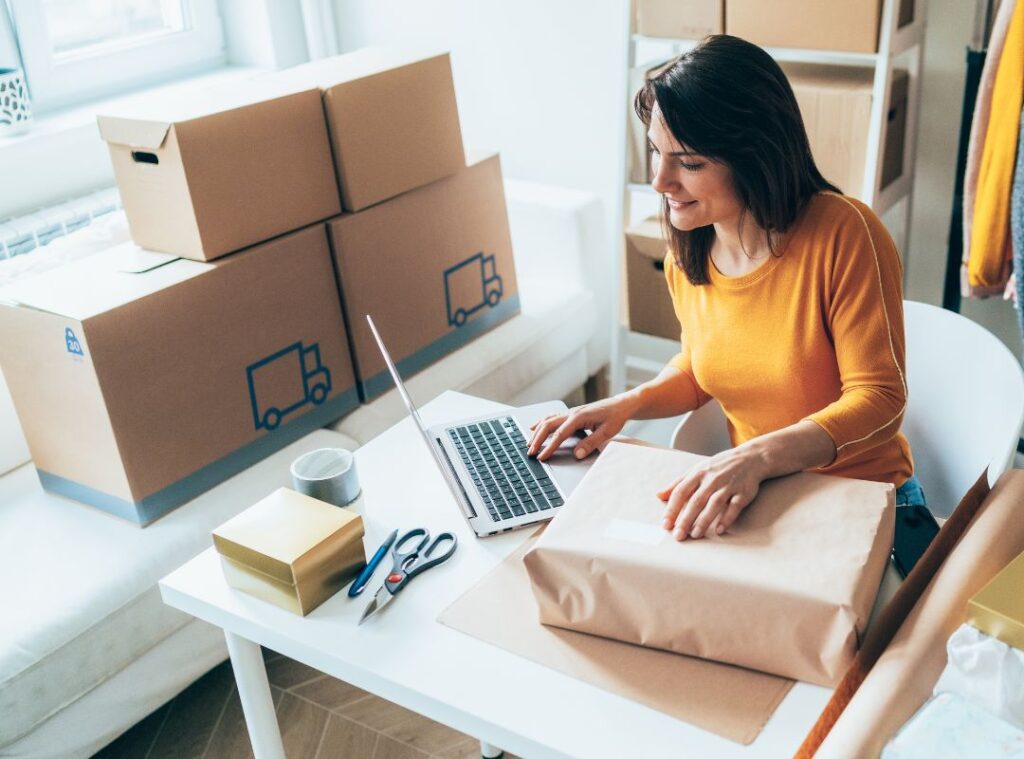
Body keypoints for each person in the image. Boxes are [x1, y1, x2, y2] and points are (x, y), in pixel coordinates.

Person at [527, 34, 923, 541]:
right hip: (765, 495)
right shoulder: (686, 255)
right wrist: (627, 405)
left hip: (864, 502)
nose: (660, 181)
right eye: (656, 152)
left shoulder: (844, 234)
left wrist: (753, 457)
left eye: (689, 163)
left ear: (756, 156)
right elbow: (702, 369)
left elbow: (880, 401)